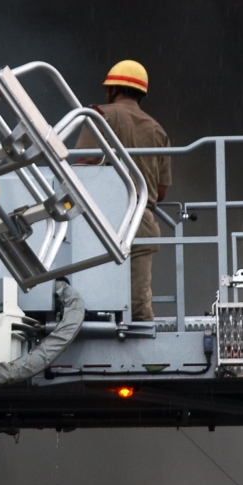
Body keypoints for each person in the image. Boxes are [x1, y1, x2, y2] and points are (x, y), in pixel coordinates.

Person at [75, 59, 171, 322]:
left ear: (113, 90)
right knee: (138, 304)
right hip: (142, 222)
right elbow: (161, 192)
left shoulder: (101, 115)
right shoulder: (157, 130)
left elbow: (81, 166)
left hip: (101, 221)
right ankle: (145, 351)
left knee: (90, 298)